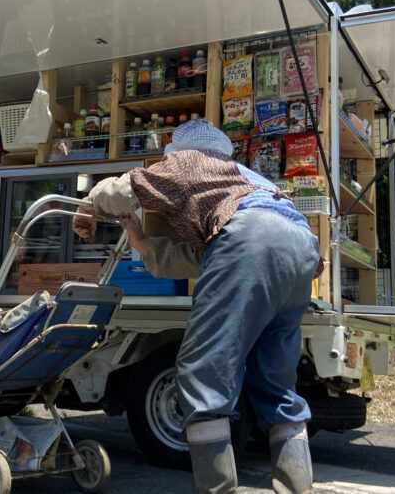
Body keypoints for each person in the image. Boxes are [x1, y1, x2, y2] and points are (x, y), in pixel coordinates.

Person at [73, 119, 320, 494]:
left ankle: (217, 489)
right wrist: (142, 244)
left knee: (203, 372)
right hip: (302, 251)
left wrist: (88, 205)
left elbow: (126, 189)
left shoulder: (188, 163)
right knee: (275, 381)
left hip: (252, 240)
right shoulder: (249, 180)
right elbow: (215, 257)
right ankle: (296, 488)